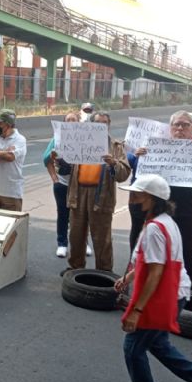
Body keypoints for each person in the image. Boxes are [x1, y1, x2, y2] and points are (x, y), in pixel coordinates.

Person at [115, 174, 192, 382]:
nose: (132, 198)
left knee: (133, 348)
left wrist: (137, 311)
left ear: (152, 198)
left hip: (164, 295)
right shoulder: (163, 222)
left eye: (137, 193)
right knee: (158, 344)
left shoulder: (155, 228)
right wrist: (129, 277)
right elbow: (155, 262)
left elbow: (156, 272)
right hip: (174, 292)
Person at [134, 110, 192, 291]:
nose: (180, 128)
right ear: (170, 127)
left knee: (187, 250)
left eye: (185, 125)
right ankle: (151, 288)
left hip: (188, 208)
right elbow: (143, 179)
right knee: (155, 249)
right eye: (176, 125)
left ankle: (189, 293)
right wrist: (140, 158)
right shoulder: (157, 146)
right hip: (159, 206)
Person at [63, 111, 131, 274]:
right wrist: (58, 159)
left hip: (101, 196)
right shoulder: (79, 141)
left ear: (108, 125)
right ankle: (75, 268)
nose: (101, 126)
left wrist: (114, 163)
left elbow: (124, 174)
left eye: (104, 123)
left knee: (102, 238)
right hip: (78, 193)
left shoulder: (115, 146)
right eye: (97, 123)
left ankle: (104, 271)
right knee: (76, 235)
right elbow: (65, 167)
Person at [43, 112, 78, 257]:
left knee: (80, 216)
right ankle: (62, 244)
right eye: (68, 120)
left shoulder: (86, 139)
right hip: (62, 183)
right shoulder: (57, 138)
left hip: (80, 185)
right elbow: (46, 159)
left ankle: (83, 244)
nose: (70, 122)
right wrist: (54, 178)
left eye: (73, 120)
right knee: (63, 214)